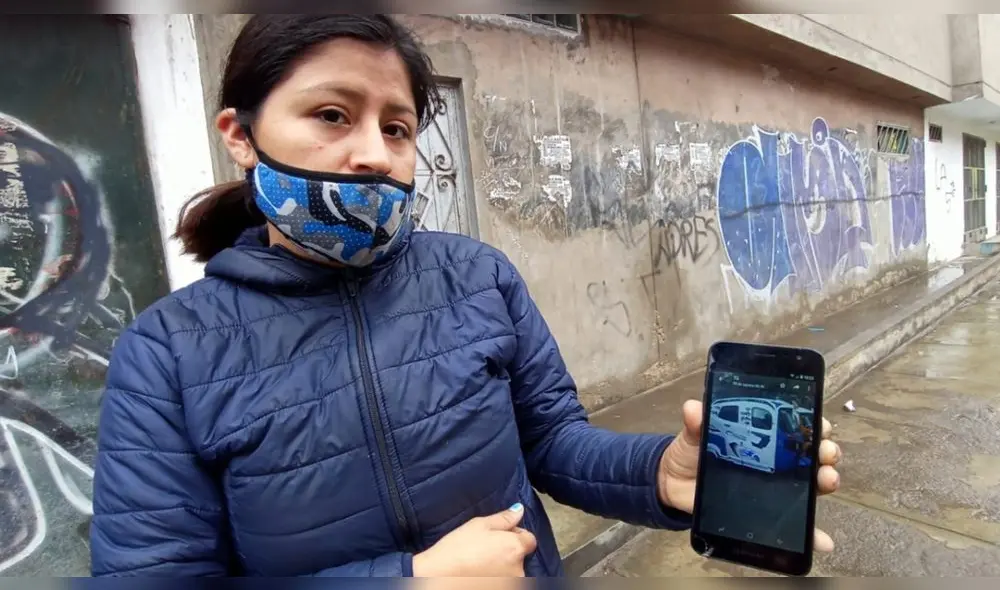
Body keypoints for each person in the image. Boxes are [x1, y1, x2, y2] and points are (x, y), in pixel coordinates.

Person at [89, 15, 842, 577]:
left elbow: (552, 442)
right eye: (330, 115)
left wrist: (661, 475)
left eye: (398, 127)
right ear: (241, 135)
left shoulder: (476, 275)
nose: (373, 155)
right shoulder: (167, 352)